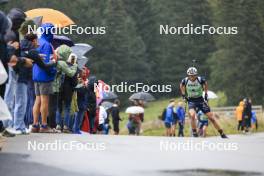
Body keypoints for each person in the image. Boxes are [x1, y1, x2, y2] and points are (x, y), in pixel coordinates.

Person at [180, 67, 227, 138]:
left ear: (196, 75)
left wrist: (205, 93)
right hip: (191, 100)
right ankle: (194, 132)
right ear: (188, 75)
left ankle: (221, 133)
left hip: (200, 100)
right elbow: (181, 85)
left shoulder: (200, 79)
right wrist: (183, 95)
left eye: (193, 75)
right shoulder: (185, 80)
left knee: (211, 118)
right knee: (192, 115)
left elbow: (205, 83)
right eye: (190, 76)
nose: (192, 77)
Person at [31, 23, 56, 133]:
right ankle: (44, 125)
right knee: (45, 101)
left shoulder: (37, 42)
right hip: (44, 76)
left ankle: (35, 125)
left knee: (37, 100)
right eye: (52, 31)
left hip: (36, 74)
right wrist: (53, 68)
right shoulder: (46, 44)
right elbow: (46, 62)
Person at [54, 47, 78, 133]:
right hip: (69, 90)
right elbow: (75, 82)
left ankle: (58, 125)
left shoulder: (60, 64)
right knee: (67, 107)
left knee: (58, 107)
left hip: (59, 88)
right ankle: (65, 126)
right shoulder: (73, 68)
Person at [72, 67, 90, 134]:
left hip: (84, 101)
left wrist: (86, 86)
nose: (84, 74)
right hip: (79, 100)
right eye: (83, 73)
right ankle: (75, 129)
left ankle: (77, 128)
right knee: (78, 116)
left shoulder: (86, 80)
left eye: (85, 73)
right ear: (80, 73)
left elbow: (87, 91)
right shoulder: (79, 80)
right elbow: (78, 90)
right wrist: (83, 85)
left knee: (81, 116)